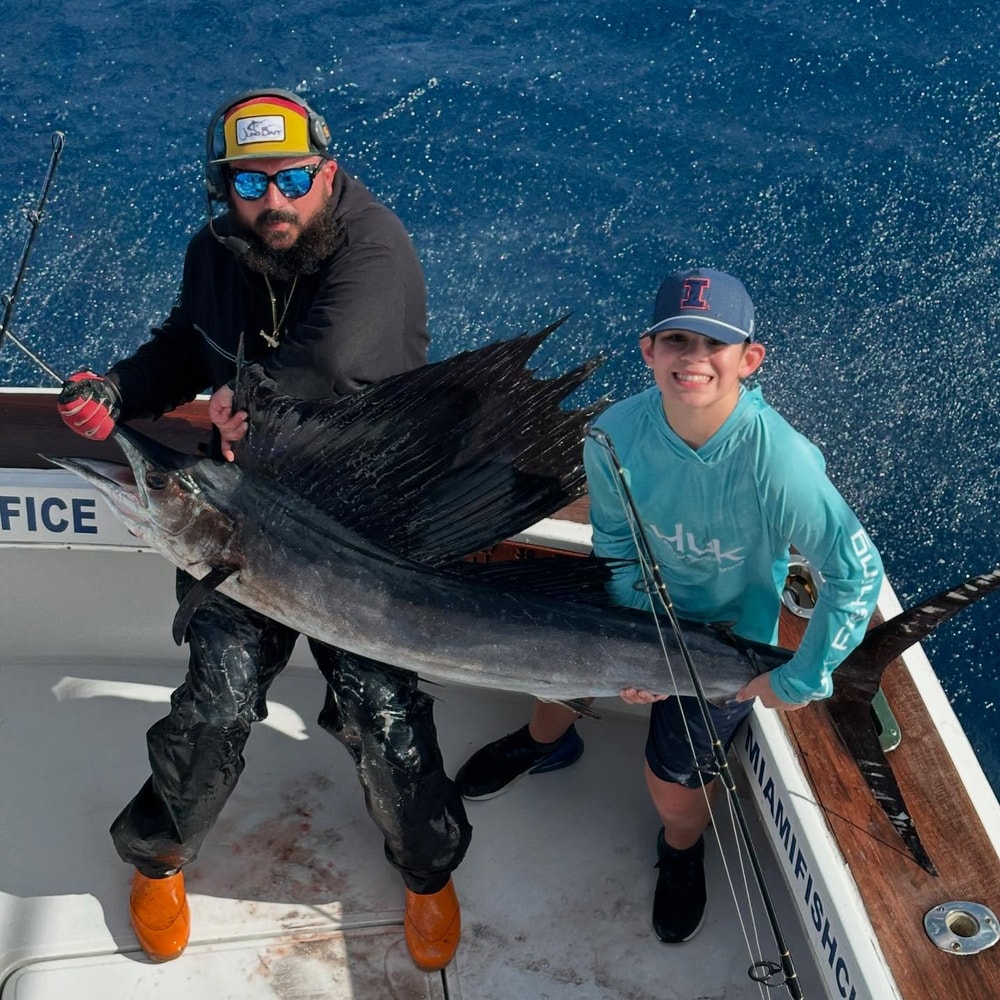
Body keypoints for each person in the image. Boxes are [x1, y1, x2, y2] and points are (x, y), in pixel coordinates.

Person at [56, 88, 470, 972]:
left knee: (383, 709)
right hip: (241, 513)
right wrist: (120, 394)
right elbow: (183, 342)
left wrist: (245, 401)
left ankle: (427, 872)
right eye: (250, 181)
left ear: (327, 170)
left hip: (364, 522)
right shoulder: (216, 249)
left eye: (291, 178)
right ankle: (158, 856)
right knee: (217, 698)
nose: (273, 202)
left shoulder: (376, 247)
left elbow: (328, 367)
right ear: (224, 188)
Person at [455, 266, 883, 943]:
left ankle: (682, 849)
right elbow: (617, 539)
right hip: (638, 620)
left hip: (727, 641)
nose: (694, 359)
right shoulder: (612, 433)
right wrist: (632, 633)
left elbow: (856, 574)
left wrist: (801, 677)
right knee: (546, 674)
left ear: (749, 359)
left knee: (672, 784)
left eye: (713, 345)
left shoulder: (780, 462)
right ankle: (550, 740)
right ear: (648, 350)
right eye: (677, 340)